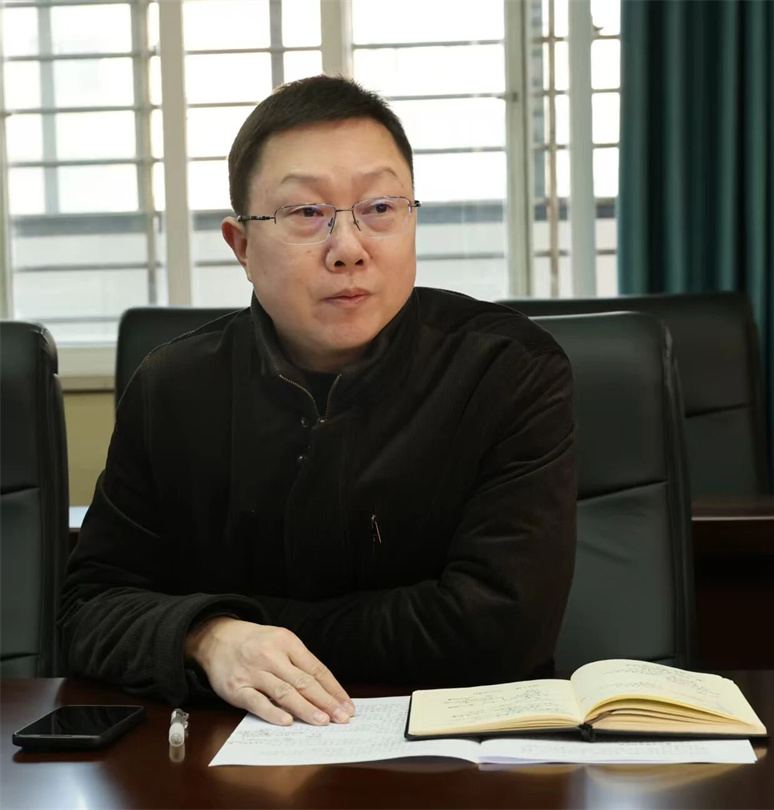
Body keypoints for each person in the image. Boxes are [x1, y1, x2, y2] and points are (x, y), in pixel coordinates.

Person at [59, 75, 576, 729]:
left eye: (380, 208)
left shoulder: (507, 370)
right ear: (242, 246)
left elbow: (499, 628)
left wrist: (234, 623)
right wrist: (207, 639)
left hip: (469, 747)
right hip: (236, 750)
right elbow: (87, 610)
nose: (349, 249)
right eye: (306, 214)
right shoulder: (174, 388)